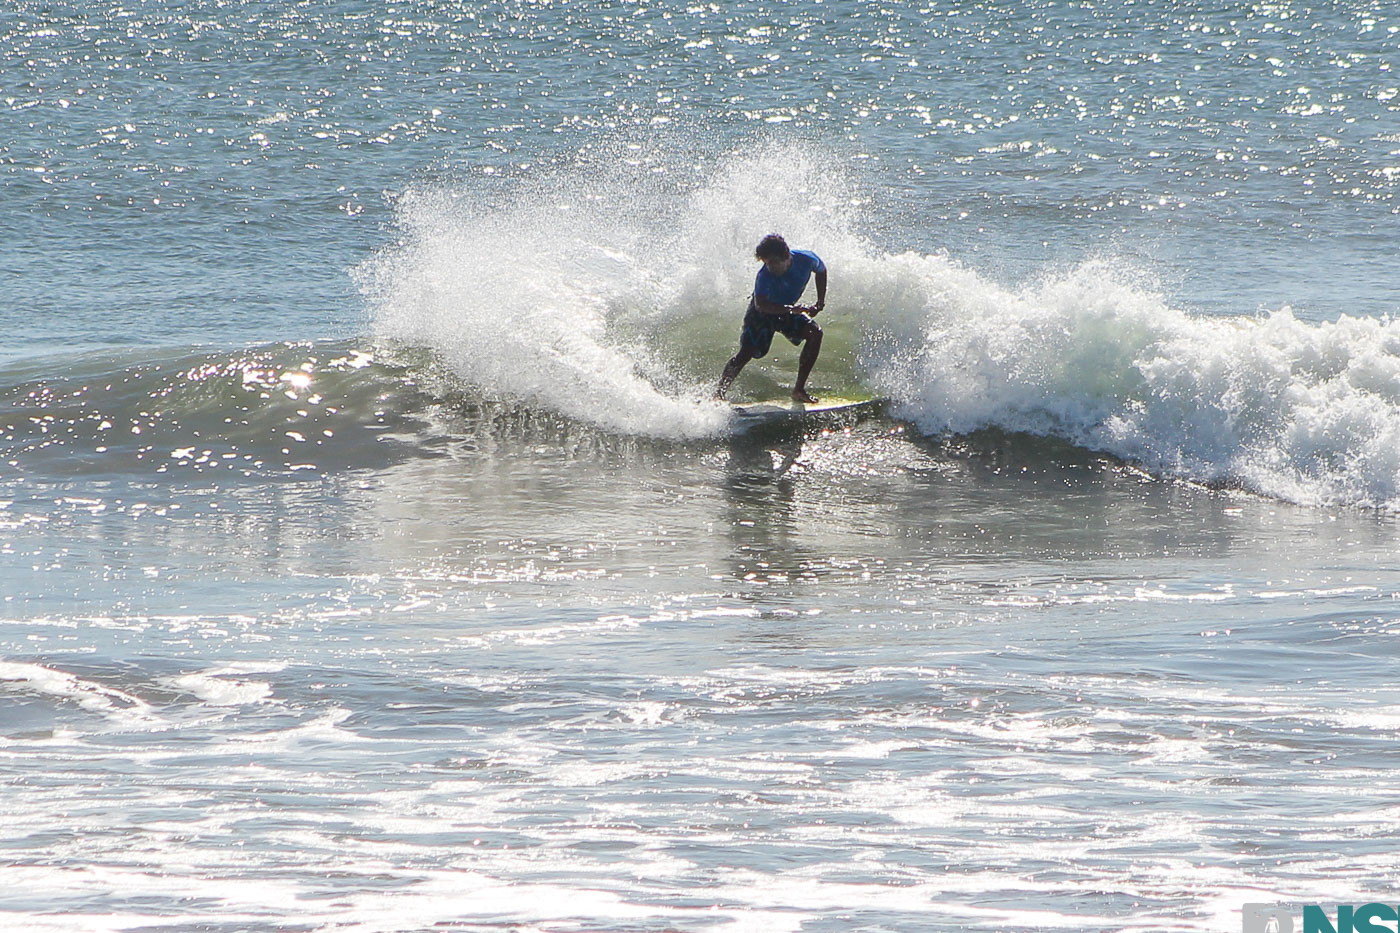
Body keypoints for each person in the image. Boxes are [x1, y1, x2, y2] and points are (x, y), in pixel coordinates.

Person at [715, 233, 827, 403]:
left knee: (815, 333)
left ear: (786, 256)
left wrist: (819, 302)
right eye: (766, 263)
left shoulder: (807, 259)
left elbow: (821, 271)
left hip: (787, 312)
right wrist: (791, 309)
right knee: (746, 353)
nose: (770, 267)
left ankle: (799, 390)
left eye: (773, 262)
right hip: (761, 314)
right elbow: (761, 305)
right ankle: (719, 394)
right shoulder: (764, 276)